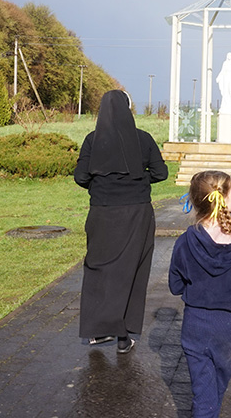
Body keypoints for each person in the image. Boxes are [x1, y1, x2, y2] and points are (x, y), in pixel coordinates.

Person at [169, 170, 231, 418]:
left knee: (204, 389)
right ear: (224, 199)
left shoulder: (185, 241)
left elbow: (175, 286)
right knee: (215, 385)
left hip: (196, 323)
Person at [74, 90, 168, 353]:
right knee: (132, 271)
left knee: (97, 268)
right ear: (128, 109)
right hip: (137, 214)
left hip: (102, 213)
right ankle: (124, 336)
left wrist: (103, 184)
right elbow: (161, 173)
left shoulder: (93, 140)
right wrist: (137, 180)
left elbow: (80, 177)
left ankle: (98, 331)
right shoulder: (144, 139)